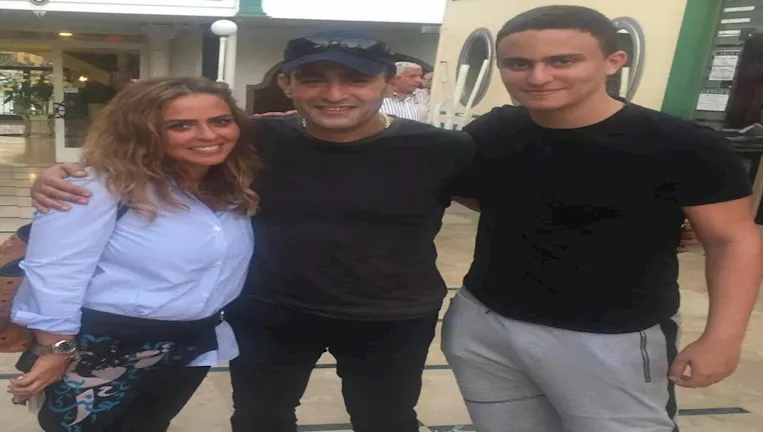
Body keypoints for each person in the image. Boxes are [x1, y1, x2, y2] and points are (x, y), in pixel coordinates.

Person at [25, 31, 476, 432]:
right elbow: (147, 148)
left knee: (386, 419)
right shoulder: (254, 137)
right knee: (260, 418)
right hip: (269, 314)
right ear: (287, 84)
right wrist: (65, 175)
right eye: (313, 79)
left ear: (387, 82)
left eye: (356, 79)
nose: (334, 93)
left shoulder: (444, 148)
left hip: (391, 318)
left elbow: (499, 204)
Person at [441, 6, 763, 432]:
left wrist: (723, 338)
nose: (538, 77)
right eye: (519, 63)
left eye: (562, 61)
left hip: (612, 336)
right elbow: (469, 191)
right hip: (487, 322)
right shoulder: (495, 130)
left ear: (613, 62)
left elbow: (732, 240)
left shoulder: (683, 146)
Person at [8, 77, 259, 432]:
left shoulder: (232, 186)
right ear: (143, 132)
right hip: (104, 347)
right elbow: (55, 271)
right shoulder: (95, 189)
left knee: (149, 425)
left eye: (220, 121)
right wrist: (55, 349)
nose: (208, 135)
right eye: (181, 125)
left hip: (190, 343)